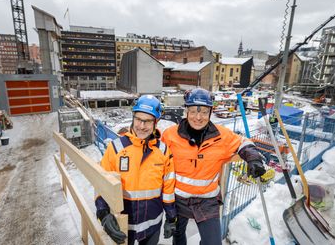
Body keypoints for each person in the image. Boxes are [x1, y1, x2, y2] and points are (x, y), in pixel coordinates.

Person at [161, 88, 266, 245]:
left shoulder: (221, 136)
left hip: (207, 201)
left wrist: (253, 159)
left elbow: (244, 142)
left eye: (204, 112)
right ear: (186, 111)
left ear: (210, 113)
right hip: (178, 199)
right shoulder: (170, 135)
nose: (198, 117)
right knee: (178, 235)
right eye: (193, 111)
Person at [95, 95, 177, 245]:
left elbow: (168, 188)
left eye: (148, 121)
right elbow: (101, 183)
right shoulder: (116, 148)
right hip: (124, 225)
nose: (142, 126)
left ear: (156, 122)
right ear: (133, 117)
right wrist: (103, 213)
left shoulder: (164, 151)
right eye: (138, 119)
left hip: (153, 225)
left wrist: (171, 217)